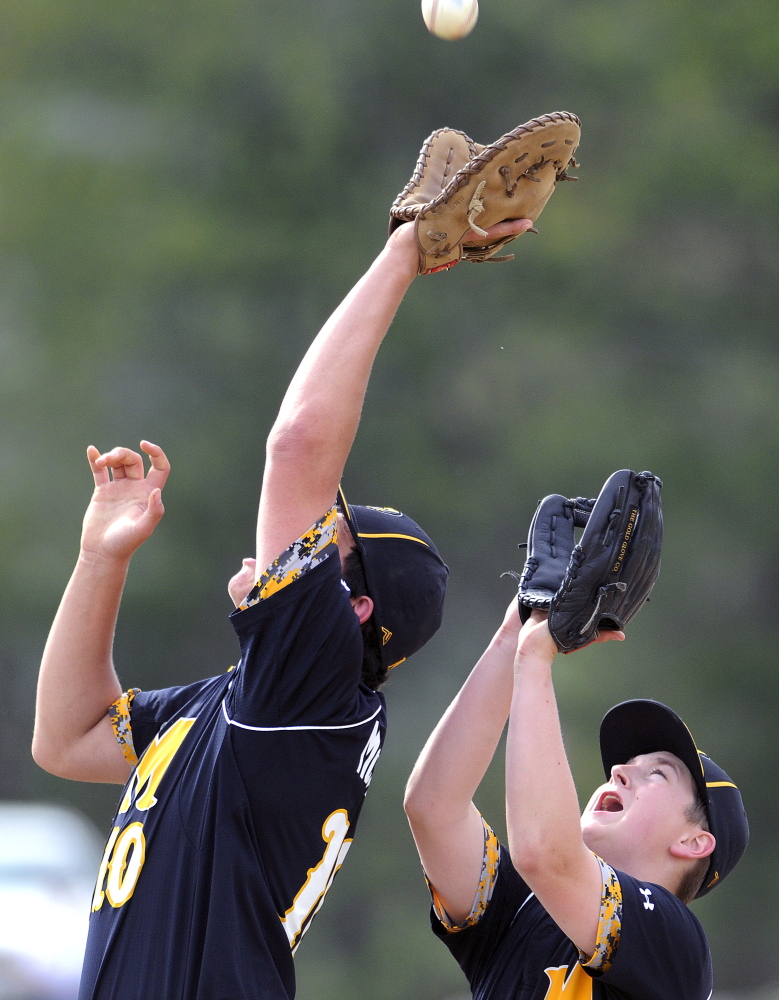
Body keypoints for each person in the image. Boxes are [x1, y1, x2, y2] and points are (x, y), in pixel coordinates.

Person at [31, 217, 531, 1000]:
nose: (286, 542)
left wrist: (404, 253)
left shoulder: (314, 694)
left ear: (350, 609)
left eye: (319, 538)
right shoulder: (258, 709)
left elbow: (297, 443)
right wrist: (102, 559)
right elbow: (67, 740)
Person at [404, 605, 749, 999]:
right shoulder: (526, 910)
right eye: (627, 764)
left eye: (657, 773)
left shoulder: (675, 944)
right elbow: (434, 808)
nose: (619, 770)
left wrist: (535, 659)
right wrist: (515, 632)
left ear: (693, 842)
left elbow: (545, 853)